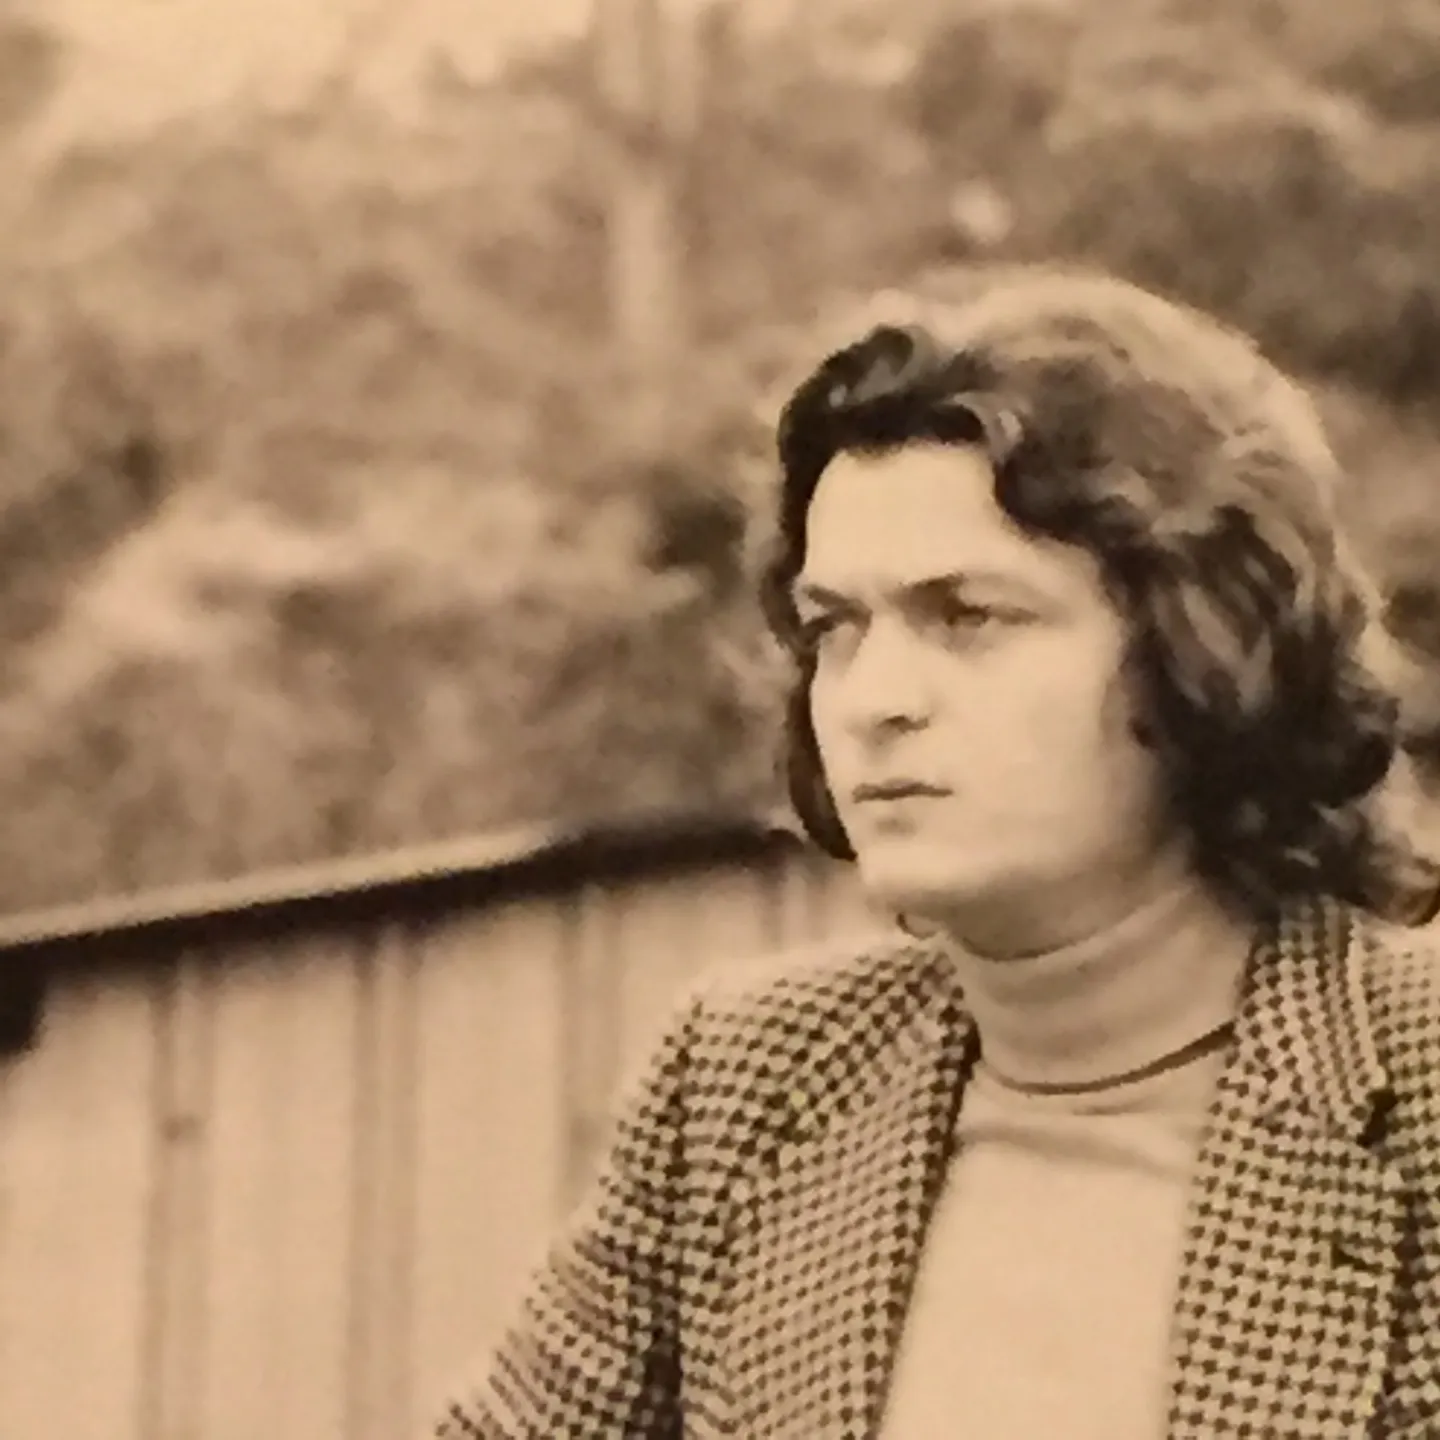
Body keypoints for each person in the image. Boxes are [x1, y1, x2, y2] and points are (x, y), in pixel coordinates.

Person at [431, 268, 1440, 1438]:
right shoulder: (745, 1083)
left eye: (968, 617)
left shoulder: (1416, 1077)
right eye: (834, 628)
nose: (874, 699)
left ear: (1200, 645)